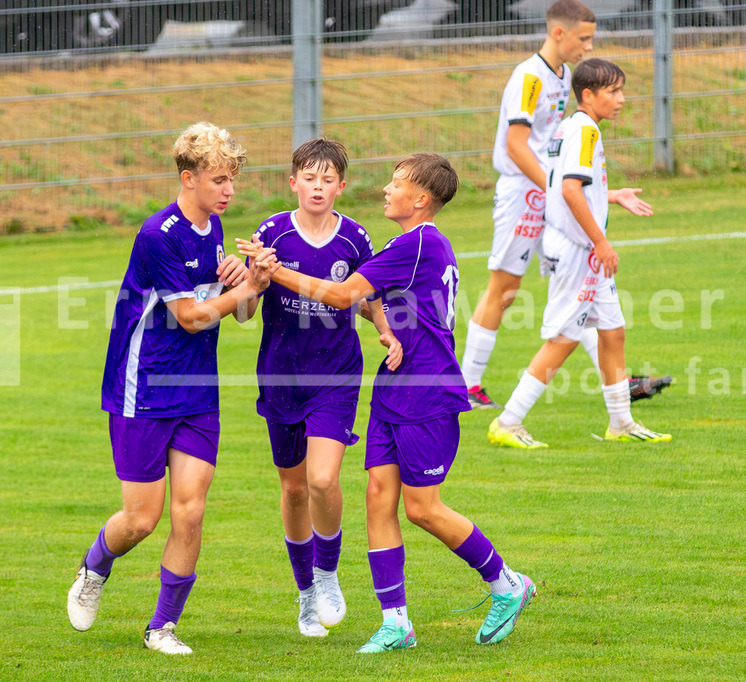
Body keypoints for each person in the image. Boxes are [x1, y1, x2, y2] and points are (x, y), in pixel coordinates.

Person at [240, 153, 536, 653]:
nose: (386, 189)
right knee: (379, 496)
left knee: (423, 508)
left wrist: (276, 270)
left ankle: (507, 583)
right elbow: (372, 303)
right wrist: (385, 330)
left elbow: (341, 296)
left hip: (427, 390)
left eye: (396, 183)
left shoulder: (419, 243)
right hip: (393, 386)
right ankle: (396, 622)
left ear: (420, 199)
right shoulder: (409, 244)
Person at [66, 122, 272, 655]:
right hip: (144, 389)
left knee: (191, 510)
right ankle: (95, 567)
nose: (230, 191)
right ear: (189, 179)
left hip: (198, 392)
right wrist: (241, 289)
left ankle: (162, 626)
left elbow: (243, 314)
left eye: (233, 180)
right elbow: (190, 318)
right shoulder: (159, 234)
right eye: (220, 180)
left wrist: (255, 285)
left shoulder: (216, 229)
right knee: (141, 518)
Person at [458, 0, 670, 411]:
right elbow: (515, 147)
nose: (588, 47)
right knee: (504, 289)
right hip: (523, 194)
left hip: (550, 194)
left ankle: (620, 383)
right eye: (583, 38)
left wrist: (592, 193)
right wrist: (557, 189)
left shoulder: (566, 75)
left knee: (581, 283)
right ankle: (467, 385)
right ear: (559, 33)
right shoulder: (529, 77)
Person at [251, 137, 402, 638]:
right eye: (308, 178)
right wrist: (253, 282)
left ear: (342, 185)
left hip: (336, 374)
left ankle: (327, 572)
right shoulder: (271, 234)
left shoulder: (355, 238)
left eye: (327, 179)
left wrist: (383, 327)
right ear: (293, 182)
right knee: (293, 490)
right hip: (280, 373)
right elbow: (247, 309)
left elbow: (365, 293)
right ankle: (305, 595)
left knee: (321, 479)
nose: (318, 187)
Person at [488, 59, 671, 450]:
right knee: (565, 337)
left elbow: (563, 185)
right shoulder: (585, 131)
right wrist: (601, 242)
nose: (621, 99)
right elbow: (570, 190)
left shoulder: (570, 126)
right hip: (578, 250)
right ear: (589, 95)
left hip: (578, 248)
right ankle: (508, 421)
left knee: (612, 329)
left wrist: (611, 195)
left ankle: (621, 421)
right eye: (614, 92)